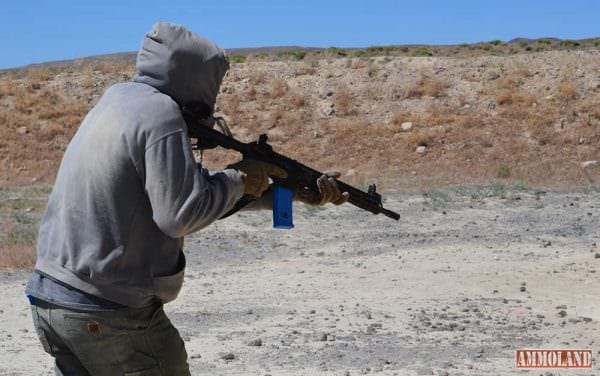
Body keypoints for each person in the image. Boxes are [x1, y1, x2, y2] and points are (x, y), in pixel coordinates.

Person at [25, 21, 348, 375]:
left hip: (51, 298)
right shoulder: (162, 115)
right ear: (198, 83)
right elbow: (180, 213)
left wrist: (279, 196)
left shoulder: (118, 100)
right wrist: (240, 178)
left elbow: (178, 195)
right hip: (107, 309)